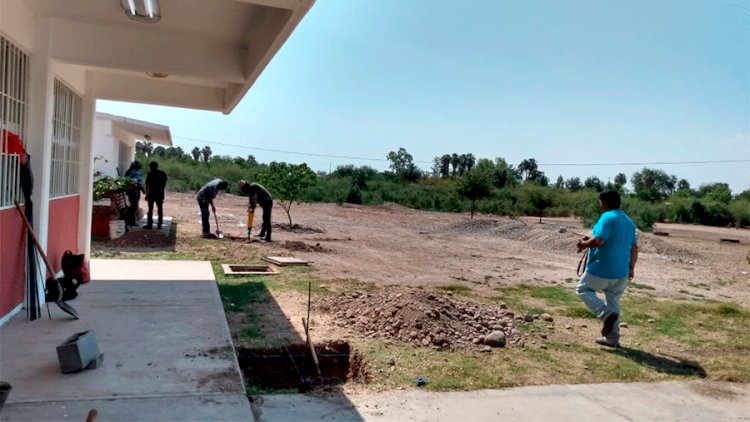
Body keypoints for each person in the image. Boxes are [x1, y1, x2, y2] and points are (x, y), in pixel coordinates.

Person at [575, 190, 638, 348]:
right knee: (613, 300)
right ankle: (612, 338)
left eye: (600, 202)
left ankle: (605, 314)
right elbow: (634, 247)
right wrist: (631, 268)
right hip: (621, 272)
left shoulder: (607, 217)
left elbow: (600, 241)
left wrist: (583, 245)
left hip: (602, 267)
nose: (599, 205)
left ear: (605, 203)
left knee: (583, 289)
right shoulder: (628, 221)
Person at [144, 161, 168, 229]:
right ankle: (159, 224)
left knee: (150, 209)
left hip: (151, 194)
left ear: (151, 167)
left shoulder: (150, 174)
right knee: (160, 209)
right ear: (157, 166)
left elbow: (147, 186)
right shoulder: (162, 173)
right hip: (160, 194)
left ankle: (149, 224)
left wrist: (146, 195)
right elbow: (165, 184)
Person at [124, 161, 144, 227]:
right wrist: (143, 190)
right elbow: (139, 183)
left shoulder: (128, 172)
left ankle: (128, 221)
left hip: (129, 192)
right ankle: (131, 222)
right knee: (133, 207)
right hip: (134, 193)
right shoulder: (135, 173)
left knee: (131, 206)